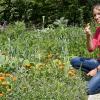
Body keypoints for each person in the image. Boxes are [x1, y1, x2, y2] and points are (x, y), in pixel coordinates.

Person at [70, 3, 100, 95]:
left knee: (87, 89)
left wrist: (96, 70)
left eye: (99, 14)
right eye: (94, 15)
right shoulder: (98, 30)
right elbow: (91, 49)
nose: (96, 17)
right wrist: (88, 36)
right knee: (74, 60)